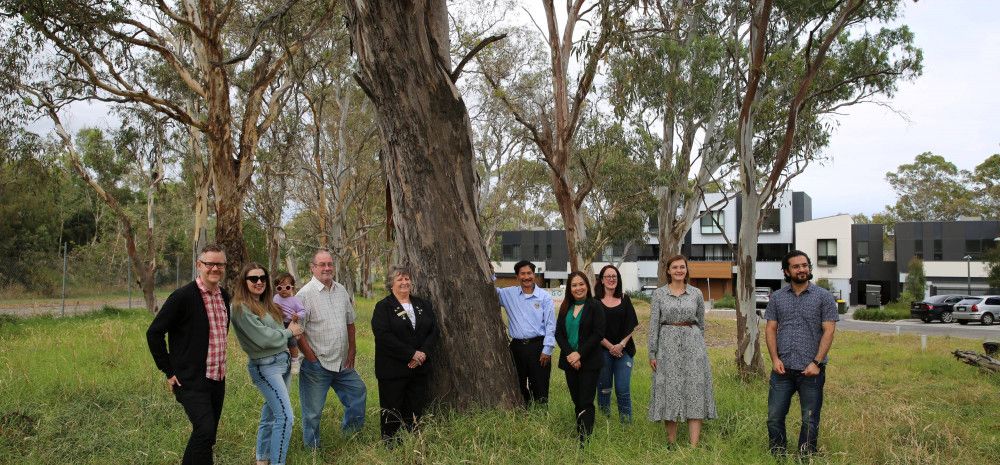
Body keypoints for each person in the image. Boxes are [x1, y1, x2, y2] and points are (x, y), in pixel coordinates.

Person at [146, 244, 231, 465]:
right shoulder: (182, 297)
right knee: (204, 430)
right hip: (190, 379)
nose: (215, 268)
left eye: (219, 264)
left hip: (217, 378)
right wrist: (169, 370)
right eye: (209, 263)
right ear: (198, 265)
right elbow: (154, 333)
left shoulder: (224, 296)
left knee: (208, 436)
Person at [765, 250, 838, 457]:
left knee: (810, 418)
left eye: (805, 265)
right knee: (774, 417)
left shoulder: (823, 297)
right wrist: (774, 359)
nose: (802, 269)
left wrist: (816, 362)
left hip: (811, 370)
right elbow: (770, 329)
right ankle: (778, 456)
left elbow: (829, 329)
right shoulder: (777, 298)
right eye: (796, 266)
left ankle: (805, 457)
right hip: (782, 370)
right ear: (787, 271)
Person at [230, 263, 304, 465]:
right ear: (244, 282)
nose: (259, 282)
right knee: (286, 418)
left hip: (284, 362)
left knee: (271, 413)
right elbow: (264, 338)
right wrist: (290, 332)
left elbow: (279, 331)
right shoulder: (239, 307)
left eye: (262, 278)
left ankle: (262, 460)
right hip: (266, 366)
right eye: (253, 278)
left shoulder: (267, 304)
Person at [296, 249, 368, 449]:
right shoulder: (304, 295)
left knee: (357, 393)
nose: (327, 268)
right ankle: (312, 450)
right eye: (322, 265)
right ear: (313, 268)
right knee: (313, 412)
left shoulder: (341, 290)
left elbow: (350, 322)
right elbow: (297, 331)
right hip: (317, 364)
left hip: (343, 362)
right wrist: (310, 357)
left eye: (330, 264)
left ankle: (351, 437)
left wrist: (352, 350)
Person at [647, 254, 716, 447]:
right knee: (670, 390)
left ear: (686, 270)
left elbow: (701, 324)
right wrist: (652, 352)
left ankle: (693, 447)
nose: (679, 270)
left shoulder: (696, 294)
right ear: (668, 271)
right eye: (675, 267)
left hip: (693, 347)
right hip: (667, 347)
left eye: (682, 267)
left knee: (694, 390)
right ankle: (671, 444)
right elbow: (653, 326)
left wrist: (696, 345)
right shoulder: (659, 294)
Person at [371, 266, 438, 443]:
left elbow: (433, 331)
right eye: (400, 279)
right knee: (392, 410)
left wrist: (422, 354)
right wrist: (411, 354)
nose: (404, 282)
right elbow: (383, 336)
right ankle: (390, 444)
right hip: (393, 370)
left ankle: (412, 442)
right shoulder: (383, 307)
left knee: (415, 409)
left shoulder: (423, 304)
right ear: (391, 283)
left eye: (407, 278)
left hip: (419, 369)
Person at [496, 260, 556, 406]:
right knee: (518, 384)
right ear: (517, 276)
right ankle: (525, 413)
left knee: (540, 386)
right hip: (517, 347)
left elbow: (550, 325)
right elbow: (491, 291)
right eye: (522, 274)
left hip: (538, 347)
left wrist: (547, 349)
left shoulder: (544, 297)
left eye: (529, 273)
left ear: (534, 275)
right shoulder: (508, 294)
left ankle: (541, 417)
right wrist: (491, 274)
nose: (526, 277)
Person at [555, 271, 605, 445]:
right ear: (570, 288)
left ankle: (585, 440)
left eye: (581, 284)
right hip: (570, 362)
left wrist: (579, 354)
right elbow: (559, 334)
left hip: (589, 362)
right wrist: (570, 354)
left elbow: (598, 333)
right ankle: (580, 431)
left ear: (587, 285)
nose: (578, 288)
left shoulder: (595, 306)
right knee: (576, 399)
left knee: (586, 400)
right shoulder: (565, 307)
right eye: (574, 285)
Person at [594, 264, 639, 422]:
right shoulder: (594, 302)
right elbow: (593, 330)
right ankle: (604, 422)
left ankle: (626, 424)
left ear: (618, 279)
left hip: (624, 351)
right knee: (604, 389)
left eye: (614, 276)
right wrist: (610, 346)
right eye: (608, 276)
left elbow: (632, 324)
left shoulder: (625, 299)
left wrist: (620, 345)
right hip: (602, 352)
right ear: (602, 280)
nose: (611, 279)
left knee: (622, 389)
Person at [272, 272, 307, 375]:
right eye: (279, 288)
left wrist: (297, 315)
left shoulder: (295, 300)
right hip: (278, 323)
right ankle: (280, 360)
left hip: (290, 324)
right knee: (278, 341)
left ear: (292, 287)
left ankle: (295, 361)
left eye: (287, 287)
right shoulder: (275, 298)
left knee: (292, 342)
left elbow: (303, 311)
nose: (283, 290)